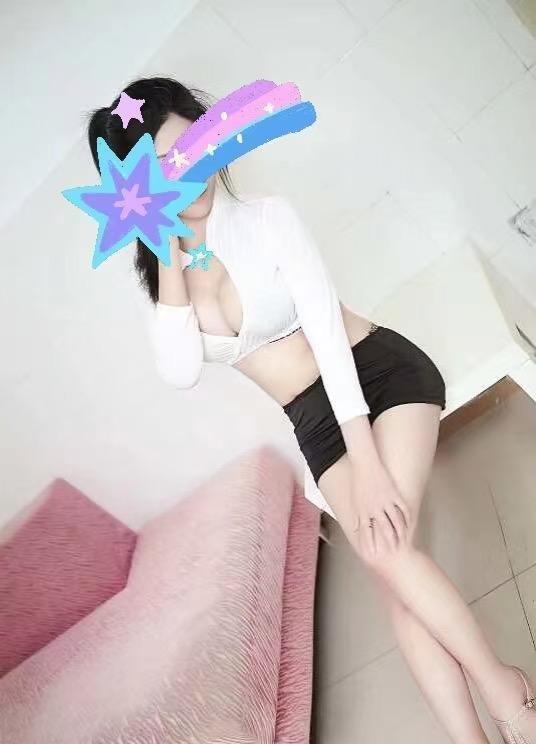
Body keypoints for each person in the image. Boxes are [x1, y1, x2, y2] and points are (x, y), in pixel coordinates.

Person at [88, 76, 536, 743]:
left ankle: (506, 700)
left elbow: (327, 332)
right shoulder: (166, 284)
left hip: (376, 372)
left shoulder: (267, 218)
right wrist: (168, 250)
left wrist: (368, 462)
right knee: (393, 571)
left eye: (194, 149)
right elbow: (179, 370)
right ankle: (502, 706)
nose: (188, 174)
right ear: (137, 190)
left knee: (388, 553)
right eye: (164, 169)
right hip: (315, 421)